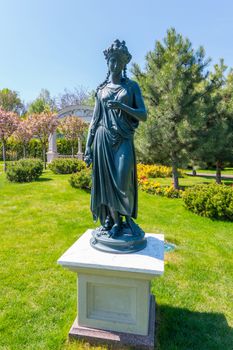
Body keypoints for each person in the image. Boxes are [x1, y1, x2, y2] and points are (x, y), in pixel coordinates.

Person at [84, 40, 147, 238]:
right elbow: (94, 120)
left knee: (122, 181)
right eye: (112, 60)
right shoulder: (101, 90)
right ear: (108, 62)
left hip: (123, 139)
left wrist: (123, 107)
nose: (114, 64)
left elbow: (143, 114)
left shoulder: (132, 87)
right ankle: (115, 222)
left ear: (124, 63)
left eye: (118, 61)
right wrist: (88, 147)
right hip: (102, 139)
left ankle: (127, 220)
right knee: (107, 184)